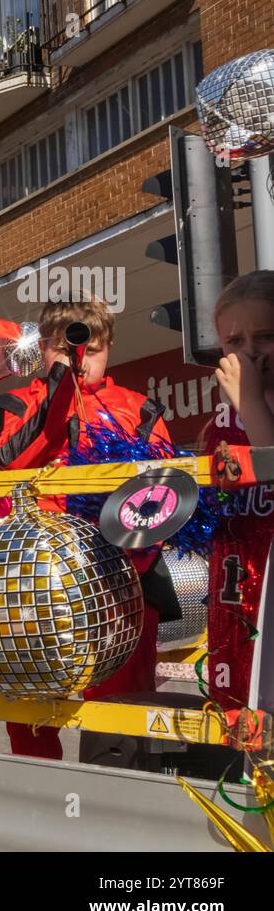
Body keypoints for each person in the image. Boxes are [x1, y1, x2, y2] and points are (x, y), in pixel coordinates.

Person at [0, 296, 172, 759]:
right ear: (44, 350)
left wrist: (129, 563)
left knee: (119, 710)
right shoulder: (12, 403)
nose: (80, 358)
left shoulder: (139, 408)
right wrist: (58, 385)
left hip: (119, 579)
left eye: (93, 348)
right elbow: (13, 456)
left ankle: (115, 802)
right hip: (34, 578)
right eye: (66, 347)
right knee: (29, 703)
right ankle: (40, 799)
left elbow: (167, 498)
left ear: (109, 350)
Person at [205, 271, 274, 714]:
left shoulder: (244, 404)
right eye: (234, 342)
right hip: (236, 604)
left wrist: (250, 403)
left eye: (266, 336)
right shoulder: (220, 425)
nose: (249, 353)